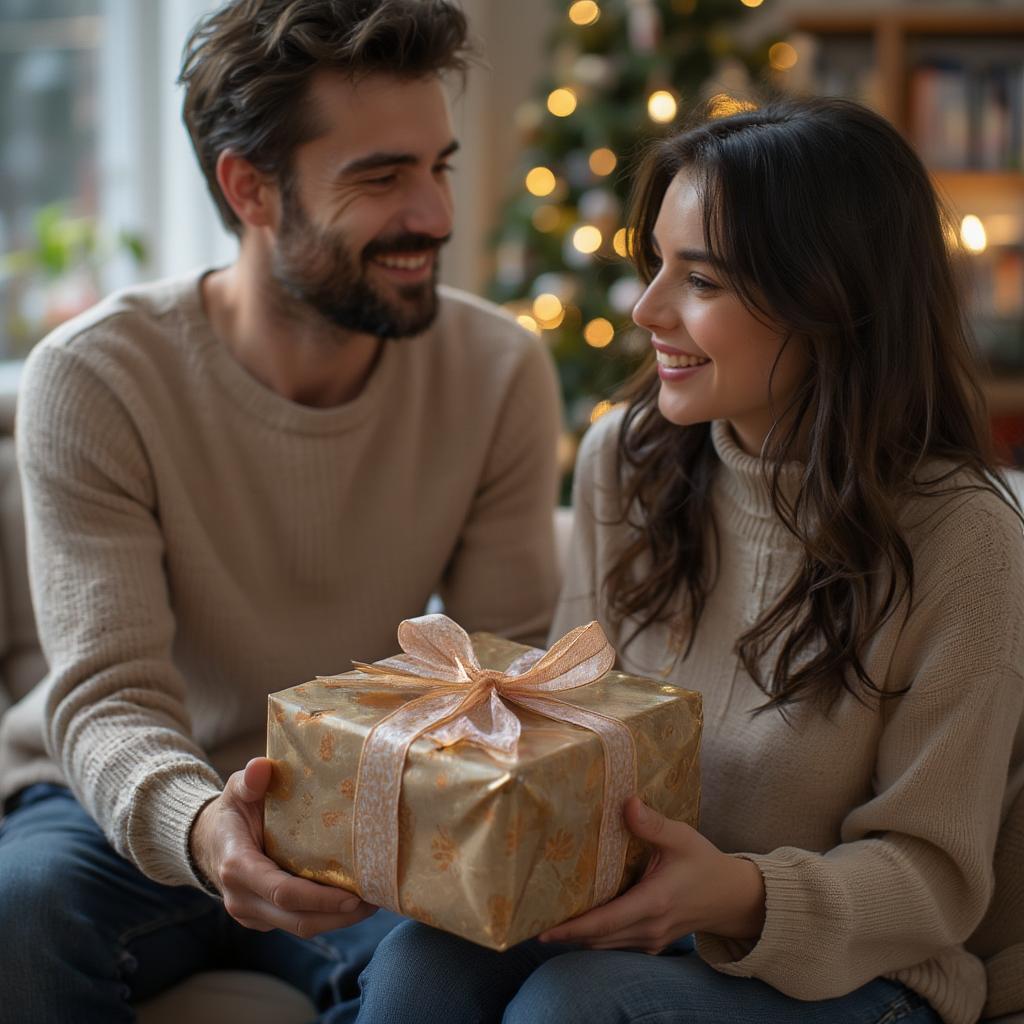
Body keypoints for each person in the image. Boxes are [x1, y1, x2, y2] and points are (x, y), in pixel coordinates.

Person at [352, 97, 1024, 1024]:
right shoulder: (624, 464)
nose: (646, 308)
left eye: (700, 279)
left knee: (576, 1007)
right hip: (636, 920)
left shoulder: (964, 539)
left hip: (869, 975)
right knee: (415, 971)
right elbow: (574, 738)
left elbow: (933, 880)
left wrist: (735, 894)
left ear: (829, 298)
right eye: (653, 265)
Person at [0, 1, 562, 1020]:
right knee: (18, 910)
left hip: (373, 806)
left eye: (437, 165)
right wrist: (201, 821)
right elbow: (107, 696)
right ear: (249, 187)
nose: (436, 214)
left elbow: (503, 666)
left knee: (456, 973)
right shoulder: (97, 377)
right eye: (381, 176)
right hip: (111, 807)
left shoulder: (497, 370)